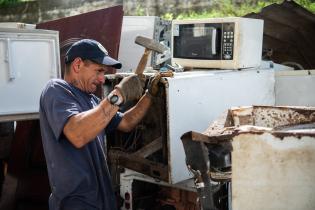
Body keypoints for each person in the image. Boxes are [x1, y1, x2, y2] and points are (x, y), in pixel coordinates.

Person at [39, 39, 161, 210]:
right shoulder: (56, 90)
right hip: (76, 203)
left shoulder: (93, 101)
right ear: (77, 65)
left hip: (102, 200)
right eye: (99, 71)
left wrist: (150, 94)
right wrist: (119, 94)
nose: (102, 79)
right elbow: (77, 134)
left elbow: (126, 122)